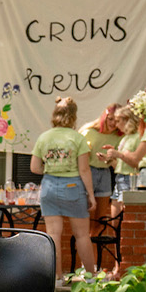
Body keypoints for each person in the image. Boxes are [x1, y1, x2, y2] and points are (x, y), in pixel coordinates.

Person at [28, 96, 95, 276]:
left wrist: (52, 168)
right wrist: (91, 195)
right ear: (73, 116)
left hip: (49, 186)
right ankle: (91, 278)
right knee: (81, 235)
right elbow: (84, 170)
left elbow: (34, 167)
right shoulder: (77, 138)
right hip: (73, 186)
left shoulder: (44, 137)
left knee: (53, 235)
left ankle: (56, 279)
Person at [81, 104, 123, 234]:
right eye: (110, 119)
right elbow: (78, 159)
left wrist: (108, 159)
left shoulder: (118, 137)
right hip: (88, 172)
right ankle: (86, 250)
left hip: (105, 174)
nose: (113, 123)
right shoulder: (89, 132)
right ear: (104, 117)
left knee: (100, 221)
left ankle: (94, 251)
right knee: (86, 220)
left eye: (117, 121)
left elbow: (120, 166)